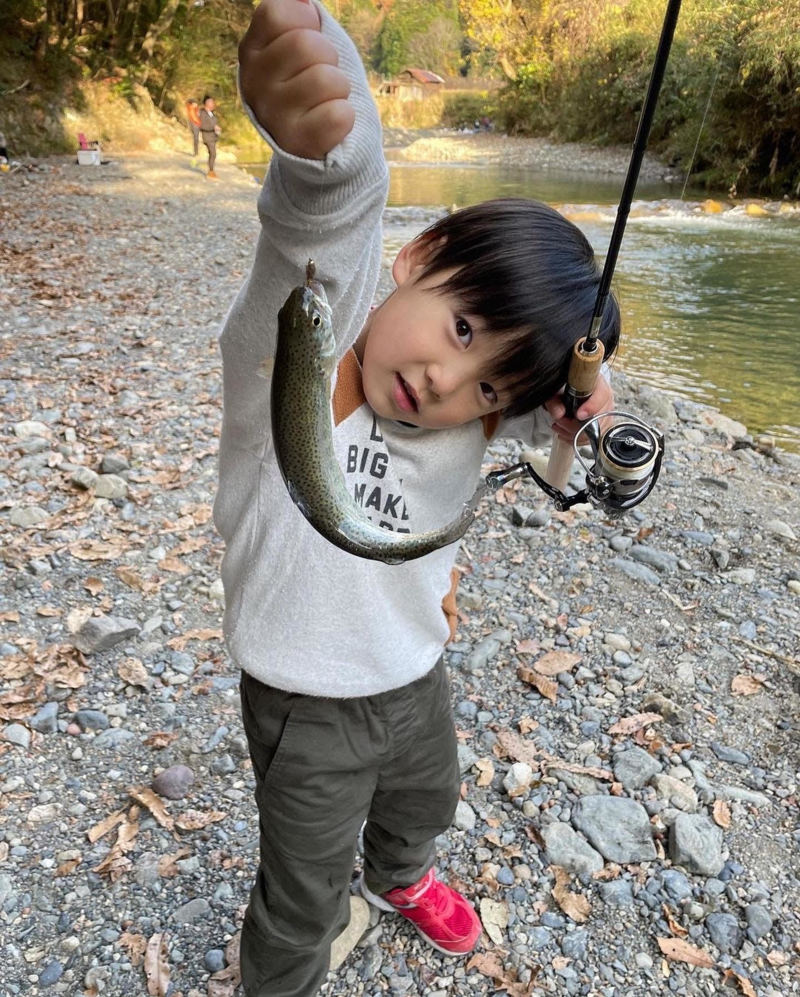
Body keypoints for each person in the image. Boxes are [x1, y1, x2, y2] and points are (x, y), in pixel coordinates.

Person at [216, 1, 617, 994]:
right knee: (301, 887)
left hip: (414, 672)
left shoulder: (479, 421)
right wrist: (324, 141)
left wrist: (591, 408)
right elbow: (327, 212)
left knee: (424, 796)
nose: (448, 380)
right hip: (305, 701)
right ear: (417, 256)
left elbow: (584, 450)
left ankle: (398, 873)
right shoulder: (299, 340)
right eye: (463, 325)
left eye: (490, 380)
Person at [198, 94, 221, 178]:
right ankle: (211, 171)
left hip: (213, 136)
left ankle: (211, 170)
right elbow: (202, 126)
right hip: (207, 137)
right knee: (213, 153)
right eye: (211, 102)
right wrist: (213, 127)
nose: (213, 104)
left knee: (212, 153)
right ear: (207, 103)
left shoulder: (211, 114)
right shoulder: (203, 113)